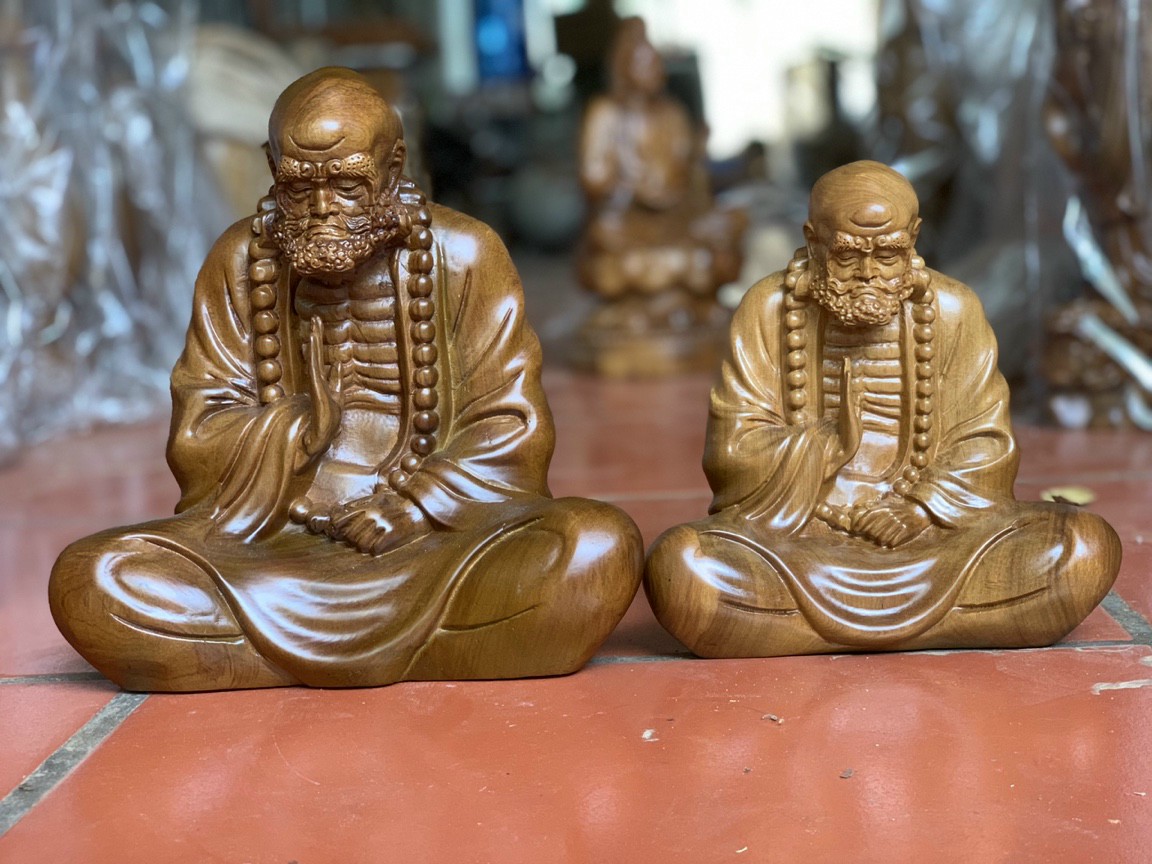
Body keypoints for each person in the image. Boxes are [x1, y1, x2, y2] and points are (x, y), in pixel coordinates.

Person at [50, 68, 643, 691]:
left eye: (348, 184)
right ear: (271, 166)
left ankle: (247, 655)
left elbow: (509, 422)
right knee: (94, 577)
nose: (322, 209)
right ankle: (449, 647)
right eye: (298, 187)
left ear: (394, 166)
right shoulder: (240, 260)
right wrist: (301, 430)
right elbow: (200, 427)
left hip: (437, 542)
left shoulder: (465, 253)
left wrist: (414, 506)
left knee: (593, 546)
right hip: (273, 543)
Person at [645, 161, 1120, 656]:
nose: (869, 273)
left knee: (1080, 546)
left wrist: (916, 510)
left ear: (913, 238)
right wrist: (828, 446)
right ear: (813, 241)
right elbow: (733, 448)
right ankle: (965, 621)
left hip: (936, 536)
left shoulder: (953, 309)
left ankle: (794, 628)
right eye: (848, 255)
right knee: (684, 564)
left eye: (889, 254)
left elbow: (986, 443)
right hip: (802, 535)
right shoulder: (769, 308)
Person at [575, 17, 746, 374]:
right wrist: (632, 185)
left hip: (677, 218)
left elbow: (691, 178)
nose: (654, 71)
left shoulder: (672, 113)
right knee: (607, 241)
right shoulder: (606, 113)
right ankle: (666, 306)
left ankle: (677, 305)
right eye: (644, 62)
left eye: (656, 63)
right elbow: (592, 179)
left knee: (731, 223)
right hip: (629, 221)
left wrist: (690, 175)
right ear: (624, 67)